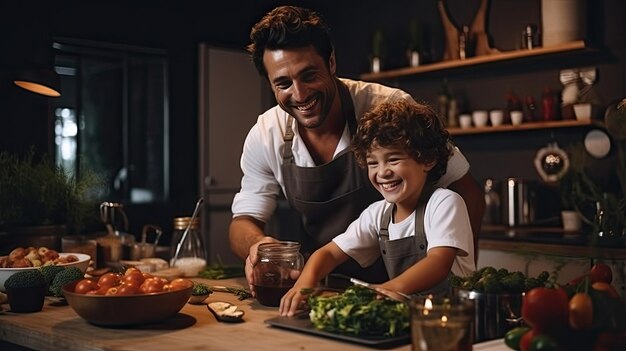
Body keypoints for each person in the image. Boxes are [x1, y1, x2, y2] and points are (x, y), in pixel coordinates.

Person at [229, 5, 485, 295]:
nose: (299, 94)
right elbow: (243, 222)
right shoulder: (266, 134)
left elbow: (468, 191)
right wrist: (259, 247)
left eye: (309, 75)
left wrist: (464, 278)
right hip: (331, 289)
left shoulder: (389, 108)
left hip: (410, 289)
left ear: (332, 62)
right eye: (284, 83)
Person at [279, 99, 475, 316]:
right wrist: (303, 286)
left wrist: (382, 291)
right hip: (410, 320)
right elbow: (329, 253)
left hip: (457, 320)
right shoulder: (377, 215)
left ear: (427, 159)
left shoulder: (444, 202)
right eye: (373, 163)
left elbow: (438, 263)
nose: (382, 172)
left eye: (393, 159)